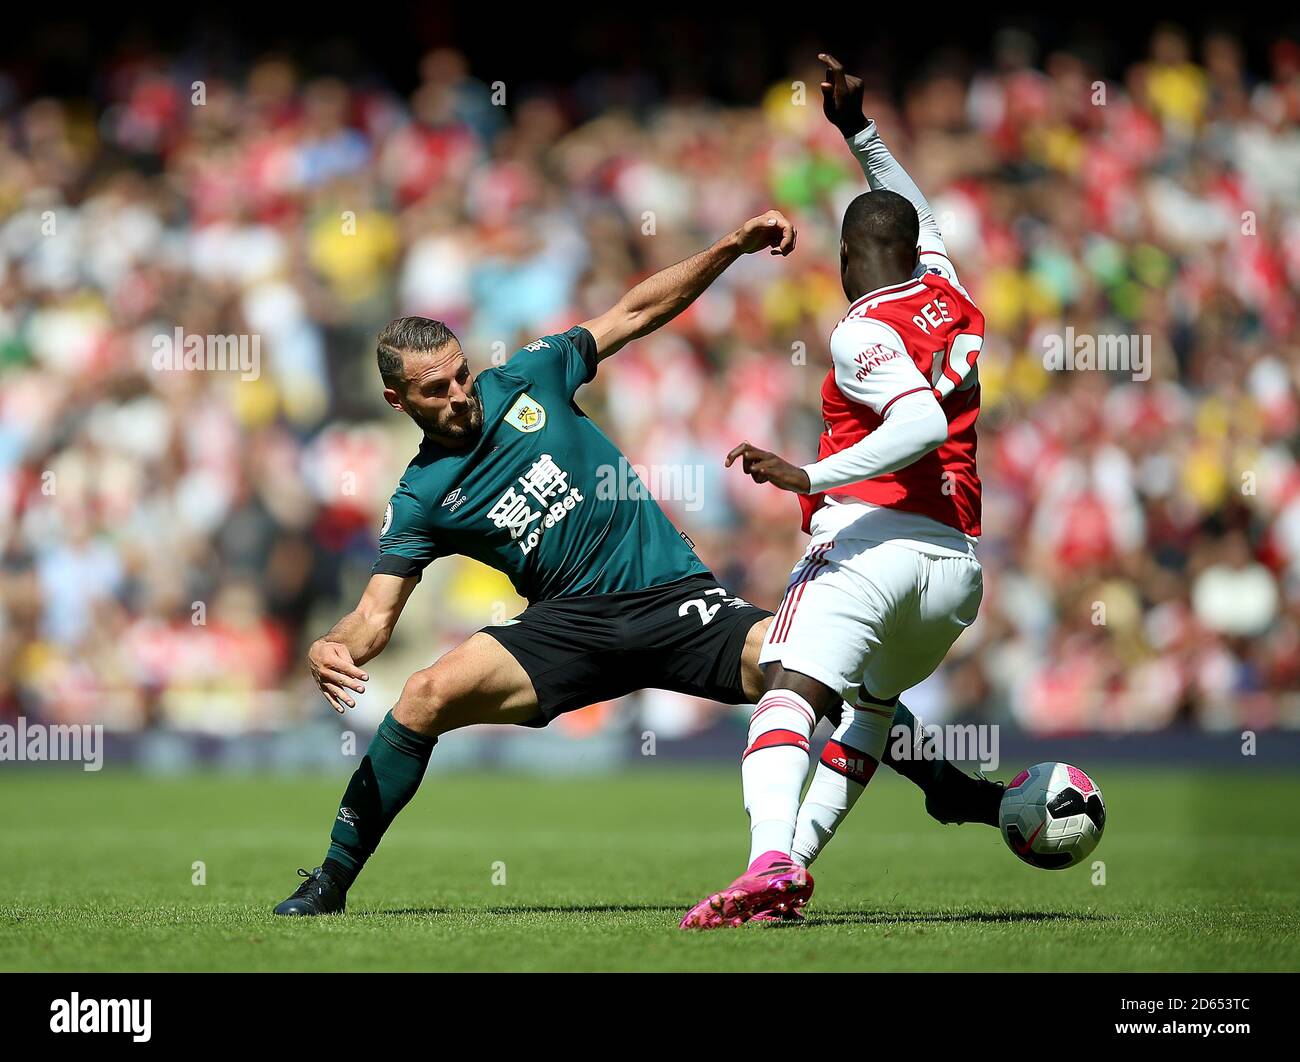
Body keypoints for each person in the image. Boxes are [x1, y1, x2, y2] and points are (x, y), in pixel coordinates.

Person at [681, 54, 994, 930]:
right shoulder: (950, 292)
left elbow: (921, 425)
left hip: (871, 544)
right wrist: (859, 132)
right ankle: (784, 880)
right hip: (955, 570)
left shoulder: (862, 328)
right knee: (868, 717)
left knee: (787, 687)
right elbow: (917, 212)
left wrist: (809, 474)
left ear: (853, 257)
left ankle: (767, 859)